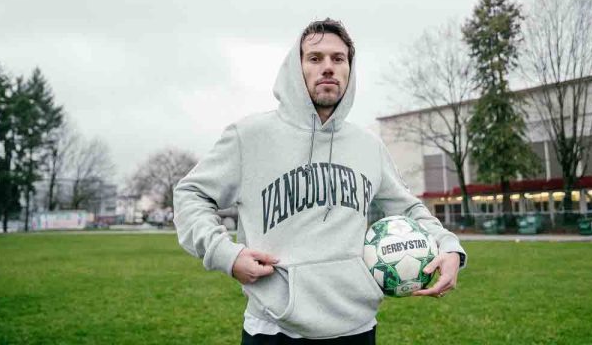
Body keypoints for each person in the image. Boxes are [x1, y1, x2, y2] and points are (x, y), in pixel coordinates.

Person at [173, 18, 466, 344]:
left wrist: (449, 247)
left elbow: (408, 208)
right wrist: (225, 254)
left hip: (357, 328)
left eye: (338, 59)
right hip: (274, 329)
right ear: (296, 68)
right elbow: (191, 193)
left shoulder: (367, 145)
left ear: (349, 70)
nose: (328, 67)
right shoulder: (250, 137)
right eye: (315, 58)